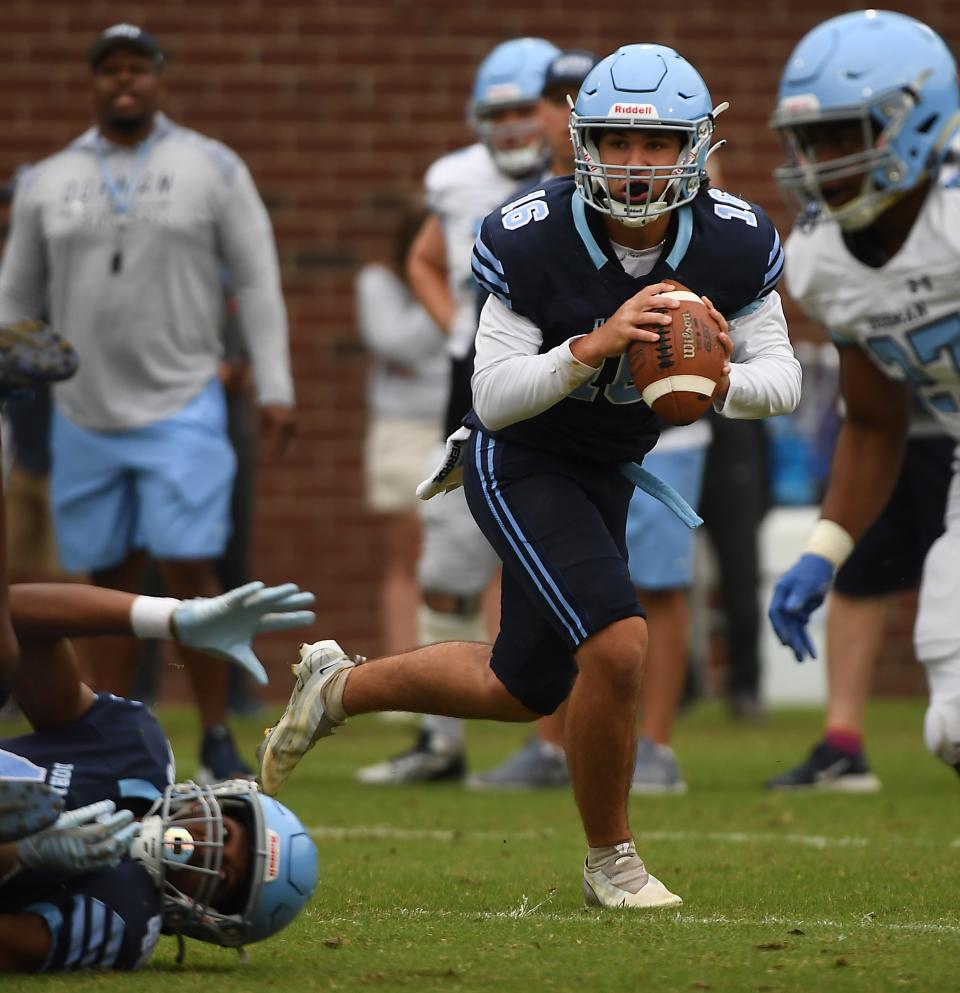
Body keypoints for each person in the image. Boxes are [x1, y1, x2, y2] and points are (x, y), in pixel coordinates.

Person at [259, 43, 801, 909]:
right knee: (618, 642)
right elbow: (494, 397)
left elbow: (785, 378)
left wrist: (719, 376)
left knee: (524, 685)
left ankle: (339, 687)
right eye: (621, 144)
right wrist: (594, 345)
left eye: (659, 144)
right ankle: (611, 861)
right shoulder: (533, 232)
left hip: (609, 467)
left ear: (695, 148)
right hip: (517, 457)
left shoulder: (735, 239)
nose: (636, 164)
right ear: (583, 143)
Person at [0, 24, 297, 782]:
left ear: (160, 78)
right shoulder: (49, 178)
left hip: (183, 399)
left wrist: (276, 383)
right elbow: (15, 298)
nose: (123, 82)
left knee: (192, 564)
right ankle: (108, 728)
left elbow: (258, 278)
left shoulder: (212, 167)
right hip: (84, 411)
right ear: (92, 83)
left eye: (137, 68)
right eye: (109, 71)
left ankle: (218, 730)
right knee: (105, 579)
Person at [355, 37, 559, 784]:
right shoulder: (454, 178)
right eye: (496, 113)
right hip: (474, 387)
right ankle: (441, 742)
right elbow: (421, 256)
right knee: (446, 567)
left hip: (563, 387)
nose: (511, 127)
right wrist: (455, 328)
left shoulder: (588, 168)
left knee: (559, 569)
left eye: (523, 110)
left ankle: (556, 747)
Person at [767, 9, 960, 780]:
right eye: (810, 141)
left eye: (845, 136)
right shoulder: (821, 259)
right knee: (951, 723)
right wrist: (824, 549)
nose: (822, 162)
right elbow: (877, 422)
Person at [0, 578, 317, 972]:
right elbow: (16, 614)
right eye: (228, 835)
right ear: (221, 801)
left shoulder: (123, 917)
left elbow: (8, 946)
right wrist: (172, 617)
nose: (209, 850)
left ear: (207, 916)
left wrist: (20, 855)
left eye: (223, 876)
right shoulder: (133, 751)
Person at [767, 410, 954, 789]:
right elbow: (867, 412)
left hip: (950, 429)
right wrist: (821, 554)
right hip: (877, 430)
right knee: (857, 574)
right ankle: (843, 744)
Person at [357, 203, 449, 658]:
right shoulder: (377, 282)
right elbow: (395, 342)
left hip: (457, 424)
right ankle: (400, 671)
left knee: (470, 559)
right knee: (406, 557)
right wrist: (441, 291)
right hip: (402, 428)